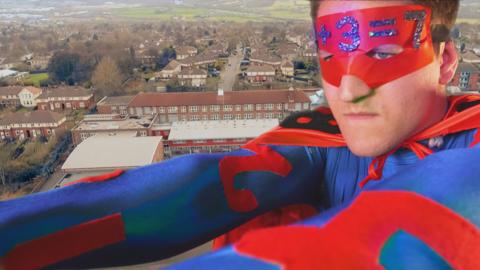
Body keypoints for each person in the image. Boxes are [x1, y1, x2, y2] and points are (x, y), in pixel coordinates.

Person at [1, 0, 479, 269]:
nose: (347, 89)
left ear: (447, 60)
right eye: (331, 56)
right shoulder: (326, 137)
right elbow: (207, 184)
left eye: (382, 52)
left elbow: (414, 224)